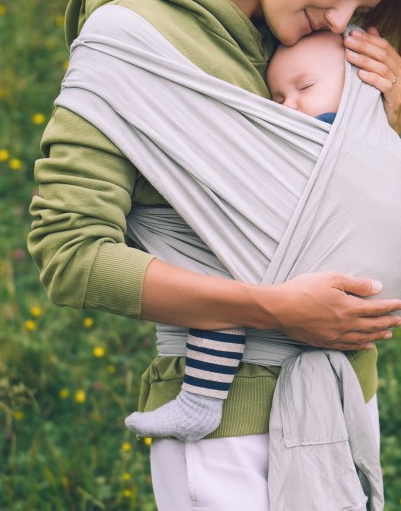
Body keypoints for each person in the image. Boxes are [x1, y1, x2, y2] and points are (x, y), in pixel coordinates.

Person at [28, 0, 401, 508]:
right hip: (226, 428)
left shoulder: (306, 51)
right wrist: (273, 309)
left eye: (358, 11)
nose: (340, 19)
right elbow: (71, 255)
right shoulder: (135, 40)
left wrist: (373, 126)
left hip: (346, 403)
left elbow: (328, 208)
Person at [123, 31, 351, 442]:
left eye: (306, 87)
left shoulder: (334, 132)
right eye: (279, 99)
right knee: (222, 289)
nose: (292, 106)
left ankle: (200, 401)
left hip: (303, 257)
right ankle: (200, 403)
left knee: (217, 291)